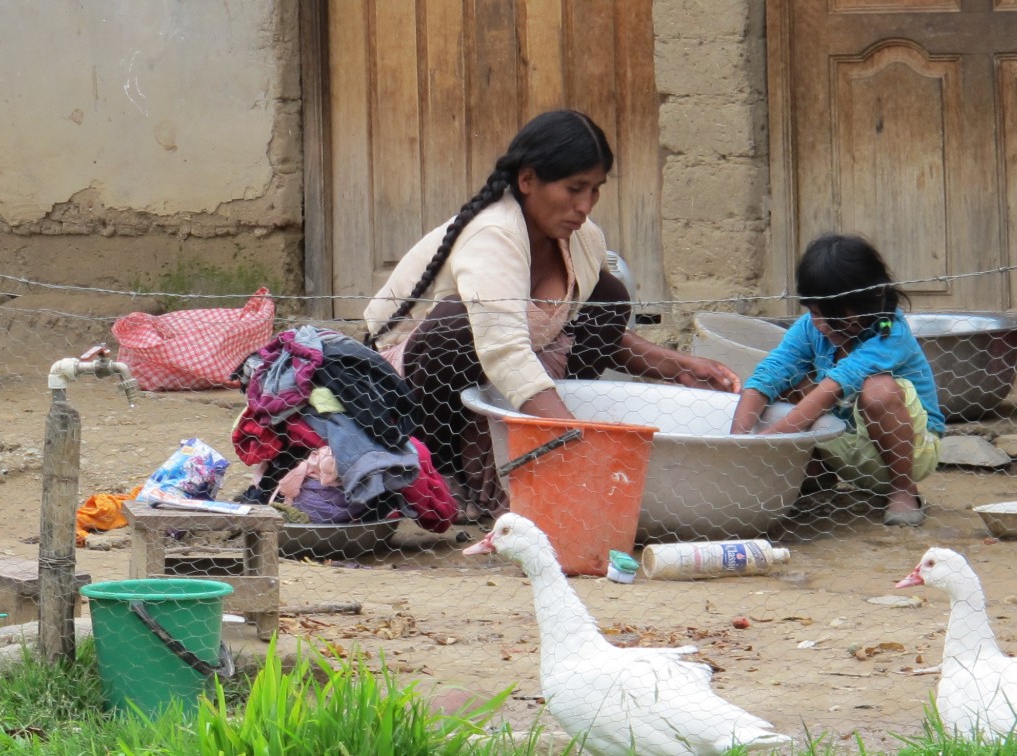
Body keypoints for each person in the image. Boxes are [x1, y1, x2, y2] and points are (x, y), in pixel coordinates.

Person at [364, 109, 740, 522]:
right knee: (456, 322)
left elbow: (595, 331)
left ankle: (529, 451)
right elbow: (505, 351)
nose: (585, 205)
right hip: (407, 383)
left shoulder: (583, 239)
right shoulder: (494, 235)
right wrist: (578, 437)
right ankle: (444, 467)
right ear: (527, 181)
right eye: (574, 188)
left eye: (595, 190)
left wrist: (675, 365)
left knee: (609, 296)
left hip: (508, 373)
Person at [730, 234, 943, 527]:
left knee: (877, 389)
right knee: (784, 384)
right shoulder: (811, 327)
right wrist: (737, 441)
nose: (821, 325)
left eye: (833, 317)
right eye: (814, 313)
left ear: (867, 302)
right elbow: (770, 372)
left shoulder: (890, 333)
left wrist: (768, 443)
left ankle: (903, 490)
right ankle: (819, 474)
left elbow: (833, 388)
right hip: (842, 441)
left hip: (912, 448)